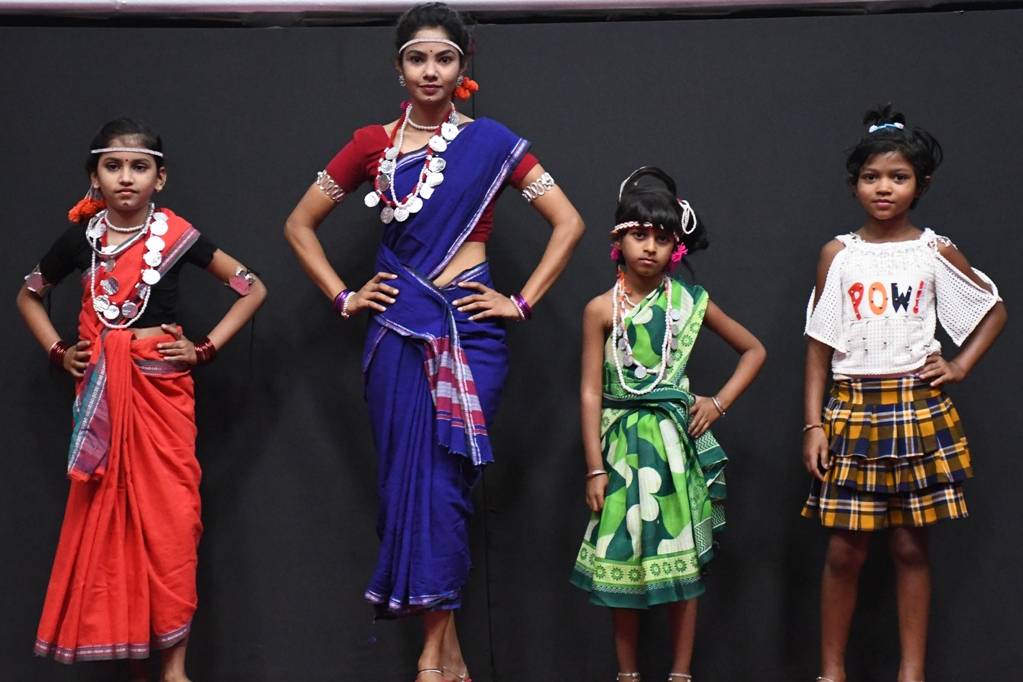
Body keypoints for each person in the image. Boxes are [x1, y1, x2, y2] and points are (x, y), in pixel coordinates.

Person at [282, 3, 584, 680]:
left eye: (444, 58)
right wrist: (344, 293)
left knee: (445, 485)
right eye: (417, 58)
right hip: (396, 329)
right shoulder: (369, 146)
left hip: (471, 331)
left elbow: (567, 222)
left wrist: (521, 300)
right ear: (398, 66)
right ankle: (442, 655)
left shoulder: (494, 143)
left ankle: (432, 655)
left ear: (462, 66)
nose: (430, 70)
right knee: (404, 484)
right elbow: (300, 225)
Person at [19, 117, 266, 682]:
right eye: (113, 166)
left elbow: (252, 288)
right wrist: (60, 351)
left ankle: (173, 671)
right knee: (115, 527)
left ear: (160, 178)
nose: (125, 178)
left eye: (139, 167)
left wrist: (203, 349)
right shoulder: (80, 241)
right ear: (94, 177)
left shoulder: (176, 235)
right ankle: (135, 662)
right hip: (105, 399)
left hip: (161, 395)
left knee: (172, 524)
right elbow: (29, 295)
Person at [801, 105, 1006, 682]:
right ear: (854, 184)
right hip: (853, 411)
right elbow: (817, 345)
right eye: (872, 177)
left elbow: (993, 310)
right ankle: (831, 671)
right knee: (845, 550)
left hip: (917, 411)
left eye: (898, 177)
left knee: (910, 548)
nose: (884, 188)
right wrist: (813, 425)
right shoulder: (838, 255)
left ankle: (910, 673)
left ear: (921, 185)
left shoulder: (932, 251)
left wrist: (960, 365)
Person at [570, 167, 765, 682]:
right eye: (639, 235)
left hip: (674, 450)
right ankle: (627, 673)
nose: (649, 248)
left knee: (682, 565)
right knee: (622, 555)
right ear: (618, 240)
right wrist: (594, 468)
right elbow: (591, 391)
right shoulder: (599, 310)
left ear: (676, 247)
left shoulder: (689, 304)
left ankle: (681, 673)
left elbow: (753, 349)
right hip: (619, 451)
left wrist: (717, 403)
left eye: (661, 238)